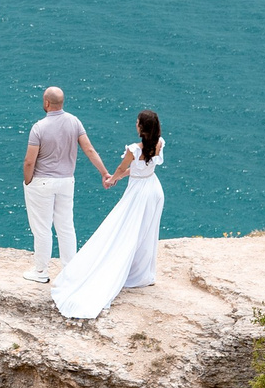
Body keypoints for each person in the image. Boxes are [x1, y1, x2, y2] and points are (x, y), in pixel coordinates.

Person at [51, 110, 168, 320]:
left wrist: (111, 179)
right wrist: (118, 178)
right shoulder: (159, 143)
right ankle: (142, 274)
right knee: (147, 232)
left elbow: (123, 168)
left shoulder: (134, 149)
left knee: (125, 232)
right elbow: (142, 169)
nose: (136, 124)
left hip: (138, 194)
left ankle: (126, 271)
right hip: (154, 191)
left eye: (137, 122)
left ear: (141, 127)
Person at [22, 87, 109, 283]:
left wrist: (28, 181)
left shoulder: (39, 127)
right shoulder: (74, 122)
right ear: (62, 102)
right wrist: (104, 172)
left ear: (46, 103)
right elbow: (89, 149)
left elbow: (29, 161)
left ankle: (41, 272)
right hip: (66, 181)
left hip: (42, 182)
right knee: (66, 227)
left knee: (42, 228)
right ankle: (70, 272)